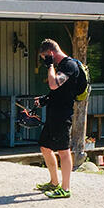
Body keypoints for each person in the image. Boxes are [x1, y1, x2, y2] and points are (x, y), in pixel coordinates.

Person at [33, 39, 80, 199]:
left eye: (44, 57)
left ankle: (65, 189)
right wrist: (45, 100)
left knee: (64, 151)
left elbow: (53, 84)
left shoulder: (69, 66)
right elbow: (57, 92)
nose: (44, 61)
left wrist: (50, 65)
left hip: (63, 115)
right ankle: (54, 182)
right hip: (53, 114)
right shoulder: (61, 67)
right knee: (45, 146)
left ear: (50, 54)